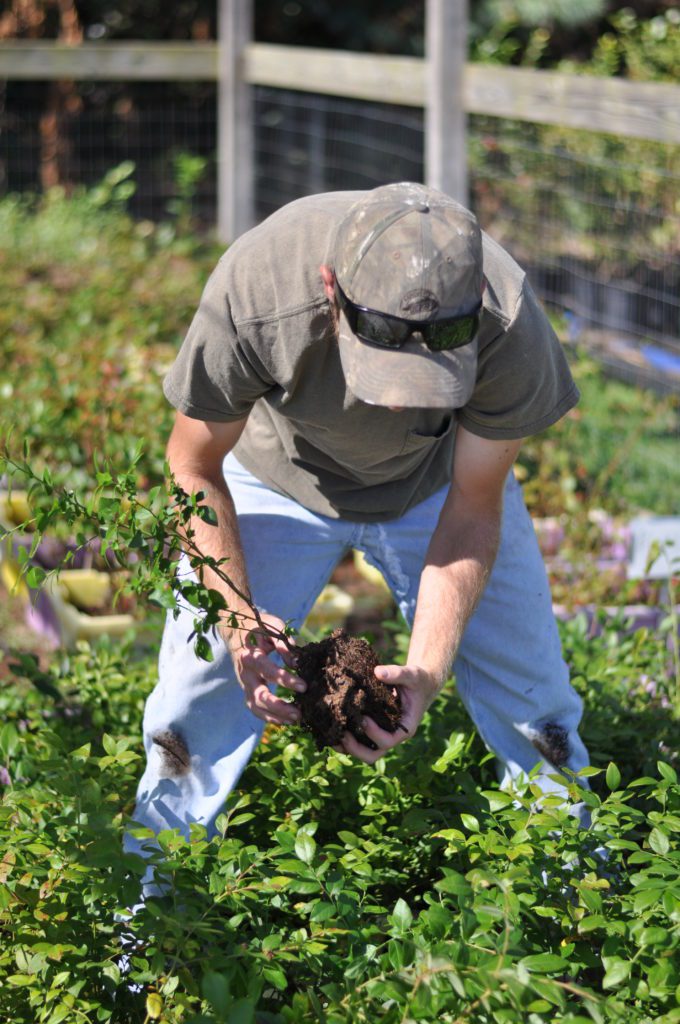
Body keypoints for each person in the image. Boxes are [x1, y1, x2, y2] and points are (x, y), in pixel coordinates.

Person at [125, 181, 590, 856]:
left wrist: (426, 672)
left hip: (436, 491)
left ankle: (580, 903)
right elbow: (194, 467)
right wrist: (239, 623)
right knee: (191, 713)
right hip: (274, 480)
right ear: (329, 289)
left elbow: (473, 504)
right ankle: (146, 922)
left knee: (538, 707)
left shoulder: (509, 322)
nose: (401, 406)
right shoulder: (260, 291)